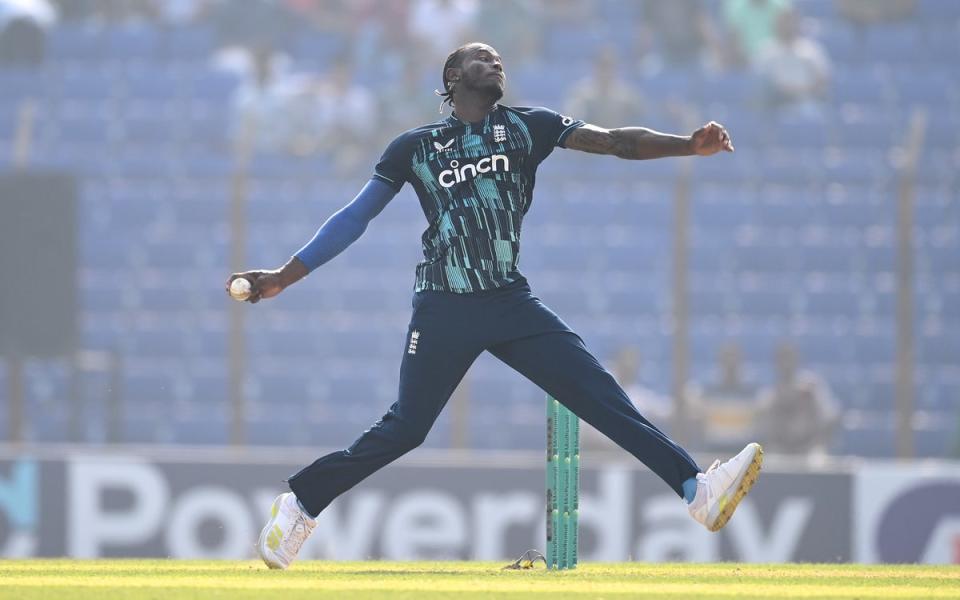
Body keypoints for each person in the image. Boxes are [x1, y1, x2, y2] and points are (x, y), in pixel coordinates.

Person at [227, 42, 763, 570]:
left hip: (508, 300)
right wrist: (283, 275)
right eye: (482, 58)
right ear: (453, 77)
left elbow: (618, 142)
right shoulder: (415, 146)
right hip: (444, 304)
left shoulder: (531, 126)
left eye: (500, 58)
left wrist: (687, 146)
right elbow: (354, 217)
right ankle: (298, 505)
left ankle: (696, 490)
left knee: (597, 392)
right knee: (407, 429)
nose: (496, 62)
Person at [757, 343, 839, 455]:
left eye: (789, 358)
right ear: (776, 363)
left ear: (797, 360)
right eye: (782, 359)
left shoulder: (812, 386)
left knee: (818, 461)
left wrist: (819, 442)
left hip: (810, 448)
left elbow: (831, 417)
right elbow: (762, 430)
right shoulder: (768, 396)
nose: (786, 364)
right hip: (779, 450)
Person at [756, 8, 830, 116]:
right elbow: (758, 82)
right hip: (774, 104)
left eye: (790, 21)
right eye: (783, 22)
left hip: (805, 102)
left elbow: (823, 80)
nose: (787, 26)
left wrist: (801, 90)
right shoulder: (766, 52)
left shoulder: (811, 50)